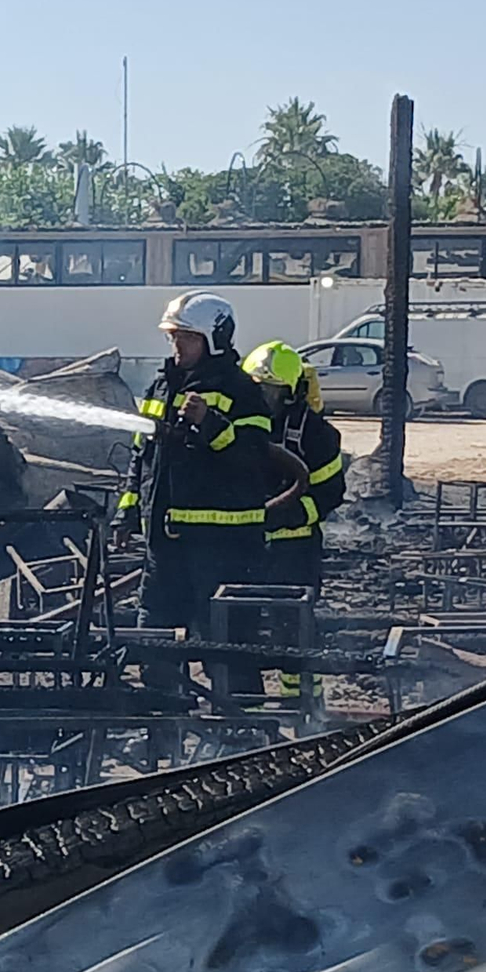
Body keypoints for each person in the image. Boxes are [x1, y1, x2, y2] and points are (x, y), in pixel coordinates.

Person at [114, 292, 303, 710]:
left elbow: (255, 458)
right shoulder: (160, 387)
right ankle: (163, 725)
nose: (176, 347)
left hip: (225, 547)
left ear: (214, 339)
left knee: (228, 640)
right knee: (155, 635)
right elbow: (140, 456)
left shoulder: (240, 391)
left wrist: (211, 424)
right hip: (165, 546)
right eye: (173, 337)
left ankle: (240, 730)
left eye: (186, 338)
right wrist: (127, 512)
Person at [242, 339, 347, 704]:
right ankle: (244, 705)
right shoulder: (240, 427)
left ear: (290, 394)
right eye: (254, 388)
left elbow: (330, 492)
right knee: (239, 624)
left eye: (269, 391)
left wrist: (293, 514)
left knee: (294, 628)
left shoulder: (317, 435)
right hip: (246, 545)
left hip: (294, 549)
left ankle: (304, 701)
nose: (261, 397)